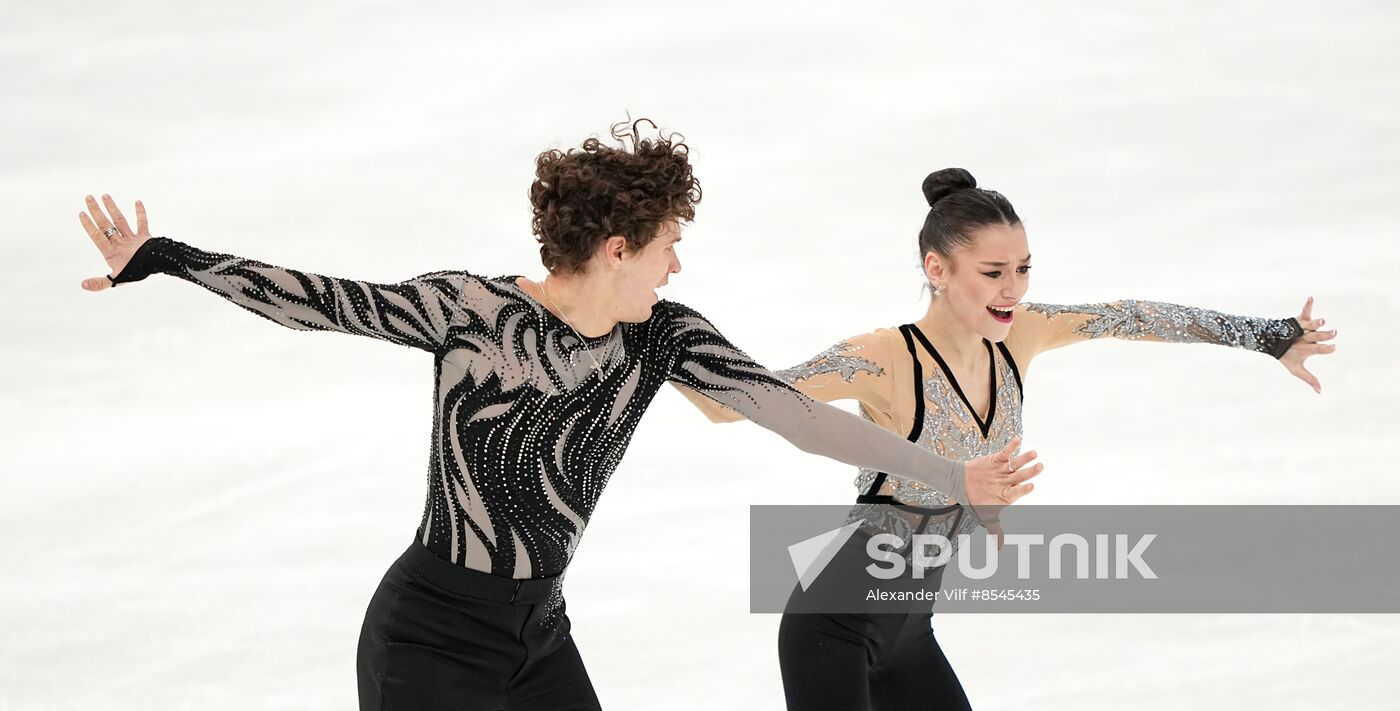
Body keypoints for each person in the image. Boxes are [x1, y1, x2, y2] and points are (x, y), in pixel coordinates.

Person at [73, 124, 1042, 710]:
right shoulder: (472, 314)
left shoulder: (661, 338)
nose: (675, 267)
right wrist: (165, 256)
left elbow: (794, 418)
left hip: (540, 634)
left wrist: (950, 477)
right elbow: (324, 297)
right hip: (430, 636)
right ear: (615, 248)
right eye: (666, 246)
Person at [680, 167, 1334, 710]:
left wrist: (1268, 336)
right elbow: (738, 403)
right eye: (993, 272)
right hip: (834, 619)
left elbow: (1130, 316)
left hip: (909, 628)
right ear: (936, 268)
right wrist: (652, 341)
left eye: (1022, 268)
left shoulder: (1022, 333)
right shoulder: (883, 357)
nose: (1013, 288)